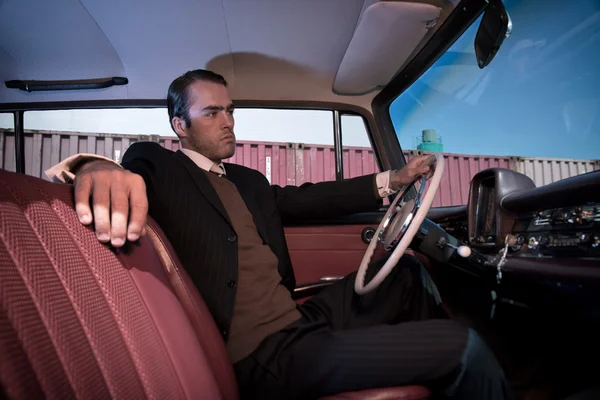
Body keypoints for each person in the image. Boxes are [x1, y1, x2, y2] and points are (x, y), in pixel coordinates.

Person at [46, 69, 513, 400]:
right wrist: (91, 166)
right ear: (179, 126)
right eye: (212, 113)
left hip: (298, 322)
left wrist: (395, 177)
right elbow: (128, 169)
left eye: (230, 110)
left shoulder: (248, 182)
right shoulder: (161, 167)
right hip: (261, 356)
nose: (228, 121)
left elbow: (312, 198)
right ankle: (446, 362)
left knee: (408, 272)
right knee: (464, 348)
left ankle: (424, 369)